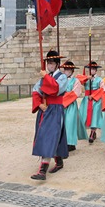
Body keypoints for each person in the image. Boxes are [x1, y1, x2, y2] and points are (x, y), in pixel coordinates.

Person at [30, 50, 69, 180]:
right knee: (50, 135)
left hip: (56, 109)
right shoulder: (44, 77)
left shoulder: (62, 77)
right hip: (45, 109)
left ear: (57, 65)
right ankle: (59, 161)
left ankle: (42, 170)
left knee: (49, 136)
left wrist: (46, 77)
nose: (49, 66)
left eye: (52, 63)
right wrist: (39, 104)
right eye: (48, 63)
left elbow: (56, 89)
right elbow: (36, 91)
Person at [60, 60, 87, 151]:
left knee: (70, 123)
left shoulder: (76, 81)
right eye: (65, 69)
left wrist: (64, 101)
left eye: (67, 70)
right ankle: (63, 142)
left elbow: (75, 93)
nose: (66, 71)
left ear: (71, 70)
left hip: (71, 105)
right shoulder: (61, 80)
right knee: (62, 123)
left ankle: (70, 143)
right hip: (61, 104)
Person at [78, 61, 105, 144]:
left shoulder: (99, 80)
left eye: (93, 69)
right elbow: (78, 80)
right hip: (86, 100)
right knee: (84, 115)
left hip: (96, 100)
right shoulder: (85, 78)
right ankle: (89, 132)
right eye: (90, 69)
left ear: (96, 70)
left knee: (95, 115)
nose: (92, 71)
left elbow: (102, 89)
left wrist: (94, 96)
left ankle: (92, 132)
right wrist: (87, 78)